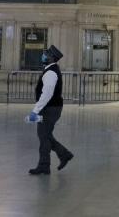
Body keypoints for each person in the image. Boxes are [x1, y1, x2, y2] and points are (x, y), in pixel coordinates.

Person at [26, 45, 73, 175]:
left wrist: (35, 111)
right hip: (51, 108)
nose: (44, 55)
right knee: (45, 136)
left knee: (43, 136)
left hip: (50, 109)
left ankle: (45, 165)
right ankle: (62, 156)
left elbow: (47, 94)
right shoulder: (50, 70)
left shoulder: (51, 72)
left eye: (46, 54)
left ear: (52, 58)